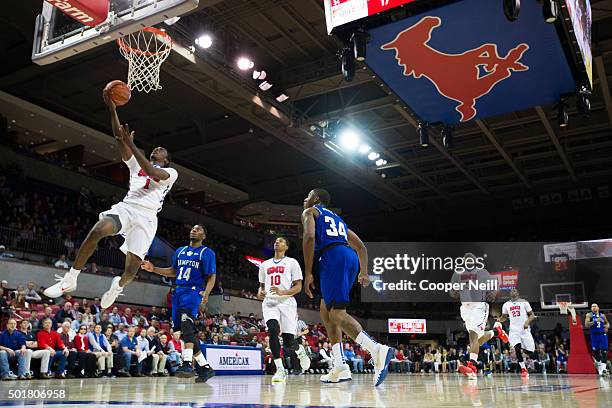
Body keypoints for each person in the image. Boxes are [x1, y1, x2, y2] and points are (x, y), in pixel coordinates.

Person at [44, 84, 179, 309]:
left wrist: (132, 144)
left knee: (131, 271)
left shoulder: (171, 173)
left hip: (147, 218)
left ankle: (117, 287)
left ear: (167, 158)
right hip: (127, 207)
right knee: (99, 229)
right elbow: (119, 137)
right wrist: (113, 109)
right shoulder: (137, 163)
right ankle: (71, 278)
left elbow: (153, 172)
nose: (157, 149)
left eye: (161, 149)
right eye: (155, 148)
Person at [301, 188, 392, 386]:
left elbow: (309, 237)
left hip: (333, 257)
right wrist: (364, 272)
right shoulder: (339, 221)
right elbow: (361, 247)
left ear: (316, 199)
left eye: (308, 196)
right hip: (348, 256)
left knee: (336, 314)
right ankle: (340, 365)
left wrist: (308, 272)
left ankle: (376, 350)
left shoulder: (310, 212)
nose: (305, 199)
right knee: (326, 310)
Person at [142, 224, 216, 383]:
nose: (194, 230)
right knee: (182, 331)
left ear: (204, 236)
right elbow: (173, 271)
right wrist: (153, 268)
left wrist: (207, 293)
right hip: (178, 291)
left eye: (198, 229)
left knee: (187, 325)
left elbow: (211, 276)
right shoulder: (180, 251)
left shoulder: (206, 252)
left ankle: (187, 364)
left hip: (193, 291)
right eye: (193, 228)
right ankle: (205, 367)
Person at [256, 236, 310, 383]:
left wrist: (283, 292)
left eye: (280, 241)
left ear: (286, 247)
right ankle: (280, 369)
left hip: (287, 302)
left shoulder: (292, 262)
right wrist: (260, 292)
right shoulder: (265, 265)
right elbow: (261, 287)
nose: (276, 242)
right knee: (272, 330)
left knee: (288, 343)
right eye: (276, 241)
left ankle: (300, 351)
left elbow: (298, 287)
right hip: (270, 303)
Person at [449, 252, 508, 379]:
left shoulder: (482, 272)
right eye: (466, 259)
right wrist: (456, 292)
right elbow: (452, 292)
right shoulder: (457, 274)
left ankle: (472, 366)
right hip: (465, 308)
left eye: (471, 259)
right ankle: (496, 332)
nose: (468, 260)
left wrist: (493, 292)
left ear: (475, 261)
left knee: (473, 338)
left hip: (479, 306)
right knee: (477, 341)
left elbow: (495, 283)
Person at [498, 288, 536, 378]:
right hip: (514, 330)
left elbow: (532, 315)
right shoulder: (506, 304)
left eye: (515, 290)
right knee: (517, 348)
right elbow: (504, 317)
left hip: (524, 330)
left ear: (518, 293)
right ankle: (523, 369)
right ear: (510, 294)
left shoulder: (524, 302)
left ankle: (524, 353)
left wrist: (527, 322)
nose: (513, 291)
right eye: (511, 291)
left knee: (531, 351)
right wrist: (499, 320)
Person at [585, 303, 609, 376]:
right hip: (594, 335)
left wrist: (606, 327)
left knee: (604, 351)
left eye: (595, 306)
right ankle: (600, 368)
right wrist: (595, 321)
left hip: (602, 335)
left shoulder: (602, 315)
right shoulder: (589, 315)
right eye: (592, 306)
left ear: (598, 308)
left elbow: (607, 323)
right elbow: (586, 325)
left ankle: (604, 369)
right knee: (596, 352)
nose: (594, 308)